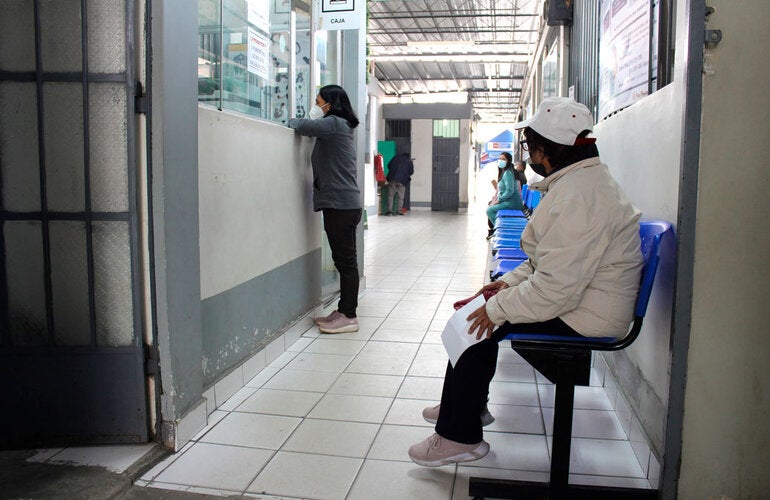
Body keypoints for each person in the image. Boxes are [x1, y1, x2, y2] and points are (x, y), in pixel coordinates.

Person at [408, 97, 643, 467]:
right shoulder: (577, 183)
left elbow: (556, 287)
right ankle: (466, 407)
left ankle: (459, 436)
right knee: (478, 313)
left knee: (478, 324)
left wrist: (496, 308)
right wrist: (504, 286)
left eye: (533, 145)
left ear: (551, 149)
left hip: (588, 314)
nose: (529, 153)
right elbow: (543, 262)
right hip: (582, 298)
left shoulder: (581, 195)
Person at [288, 85, 361, 334]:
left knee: (346, 263)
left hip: (341, 205)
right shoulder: (340, 125)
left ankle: (349, 316)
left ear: (329, 103)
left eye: (318, 101)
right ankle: (343, 310)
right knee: (344, 261)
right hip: (343, 203)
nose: (316, 106)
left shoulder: (335, 124)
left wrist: (293, 118)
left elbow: (300, 125)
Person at [485, 152, 524, 239]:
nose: (501, 161)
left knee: (490, 210)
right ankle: (499, 229)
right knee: (491, 206)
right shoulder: (506, 172)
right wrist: (496, 200)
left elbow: (510, 191)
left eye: (503, 159)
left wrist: (499, 200)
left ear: (508, 161)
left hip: (512, 202)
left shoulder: (508, 173)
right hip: (509, 201)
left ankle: (500, 231)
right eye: (500, 159)